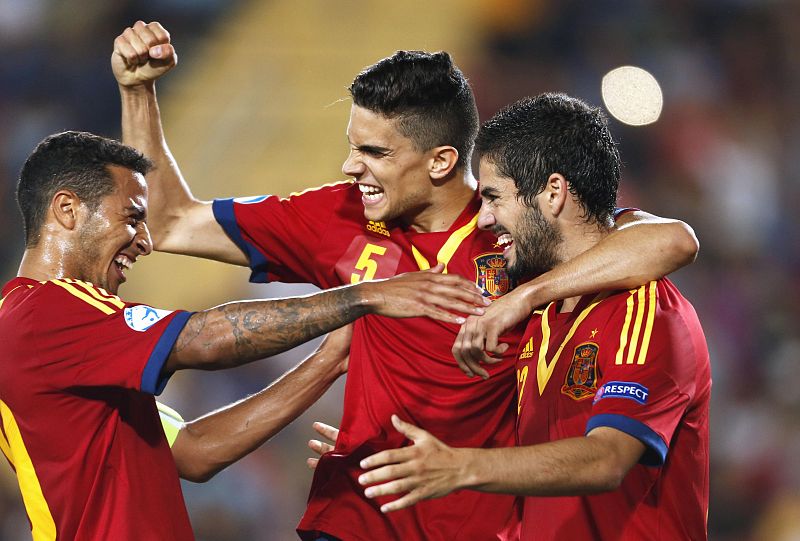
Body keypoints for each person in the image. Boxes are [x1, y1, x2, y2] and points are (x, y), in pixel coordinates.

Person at [114, 21, 699, 540]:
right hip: (355, 515)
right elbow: (169, 221)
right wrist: (138, 93)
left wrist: (519, 298)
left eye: (373, 151)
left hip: (478, 520)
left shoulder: (518, 234)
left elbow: (669, 241)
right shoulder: (339, 216)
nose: (350, 167)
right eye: (352, 148)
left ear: (441, 161)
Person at [0, 130, 488, 540]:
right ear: (67, 210)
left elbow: (193, 451)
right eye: (131, 218)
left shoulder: (64, 335)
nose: (145, 242)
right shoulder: (43, 313)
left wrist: (329, 360)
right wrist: (365, 296)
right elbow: (205, 339)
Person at [357, 94, 711, 541]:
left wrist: (460, 467)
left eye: (494, 197)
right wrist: (393, 457)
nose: (483, 219)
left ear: (553, 192)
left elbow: (605, 460)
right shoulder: (537, 314)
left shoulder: (648, 314)